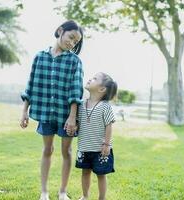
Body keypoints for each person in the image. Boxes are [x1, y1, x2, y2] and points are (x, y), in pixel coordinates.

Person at [20, 20, 84, 200]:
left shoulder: (74, 61)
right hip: (45, 113)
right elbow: (30, 86)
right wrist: (24, 111)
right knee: (47, 150)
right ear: (60, 31)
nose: (72, 43)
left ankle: (62, 192)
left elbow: (75, 90)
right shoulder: (39, 57)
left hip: (66, 116)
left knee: (67, 152)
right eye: (71, 37)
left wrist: (72, 117)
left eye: (75, 42)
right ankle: (44, 192)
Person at [74, 72, 117, 200]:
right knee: (85, 172)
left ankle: (101, 198)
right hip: (84, 147)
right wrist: (75, 126)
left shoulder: (105, 107)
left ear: (102, 89)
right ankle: (85, 196)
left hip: (100, 149)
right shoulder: (81, 104)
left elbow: (109, 125)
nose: (90, 79)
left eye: (94, 79)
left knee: (101, 175)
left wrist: (107, 144)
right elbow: (78, 121)